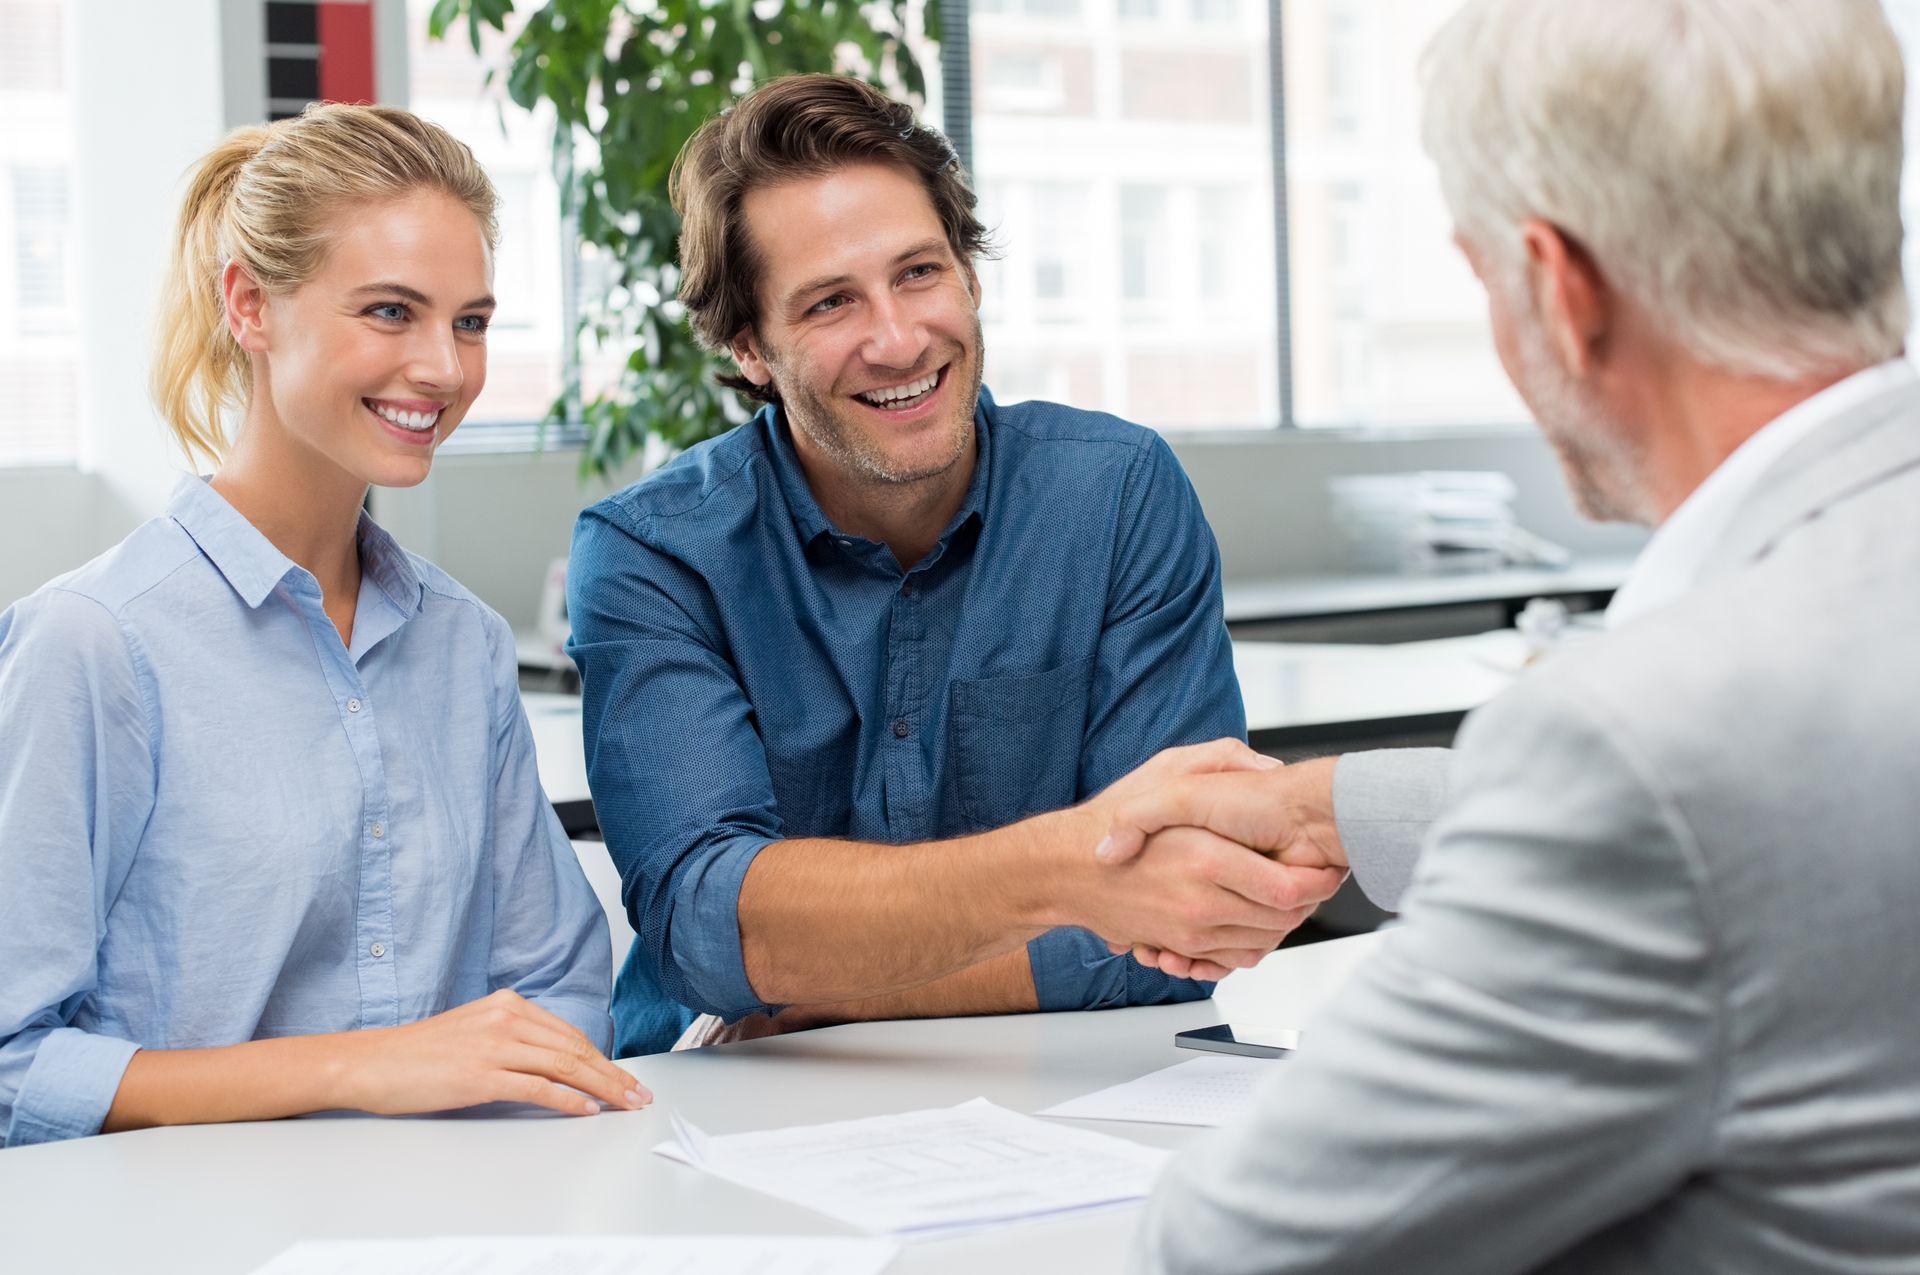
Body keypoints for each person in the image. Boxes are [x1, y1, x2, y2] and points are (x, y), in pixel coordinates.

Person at [1107, 0, 1920, 1268]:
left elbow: (1232, 1250)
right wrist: (1339, 808)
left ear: (1560, 288)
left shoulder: (1648, 739)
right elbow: (1805, 819)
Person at [566, 74, 1343, 1056]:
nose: (898, 339)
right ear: (748, 346)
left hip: (1072, 1095)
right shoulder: (655, 552)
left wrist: (840, 981)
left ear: (971, 276)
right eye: (829, 302)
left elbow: (1189, 903)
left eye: (920, 273)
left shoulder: (1116, 496)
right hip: (718, 1107)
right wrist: (1077, 873)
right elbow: (709, 934)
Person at [0, 104, 648, 1148]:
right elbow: (13, 1067)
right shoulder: (94, 644)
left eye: (471, 321)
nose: (443, 367)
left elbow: (556, 984)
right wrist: (362, 1070)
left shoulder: (464, 644)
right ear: (250, 307)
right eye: (391, 312)